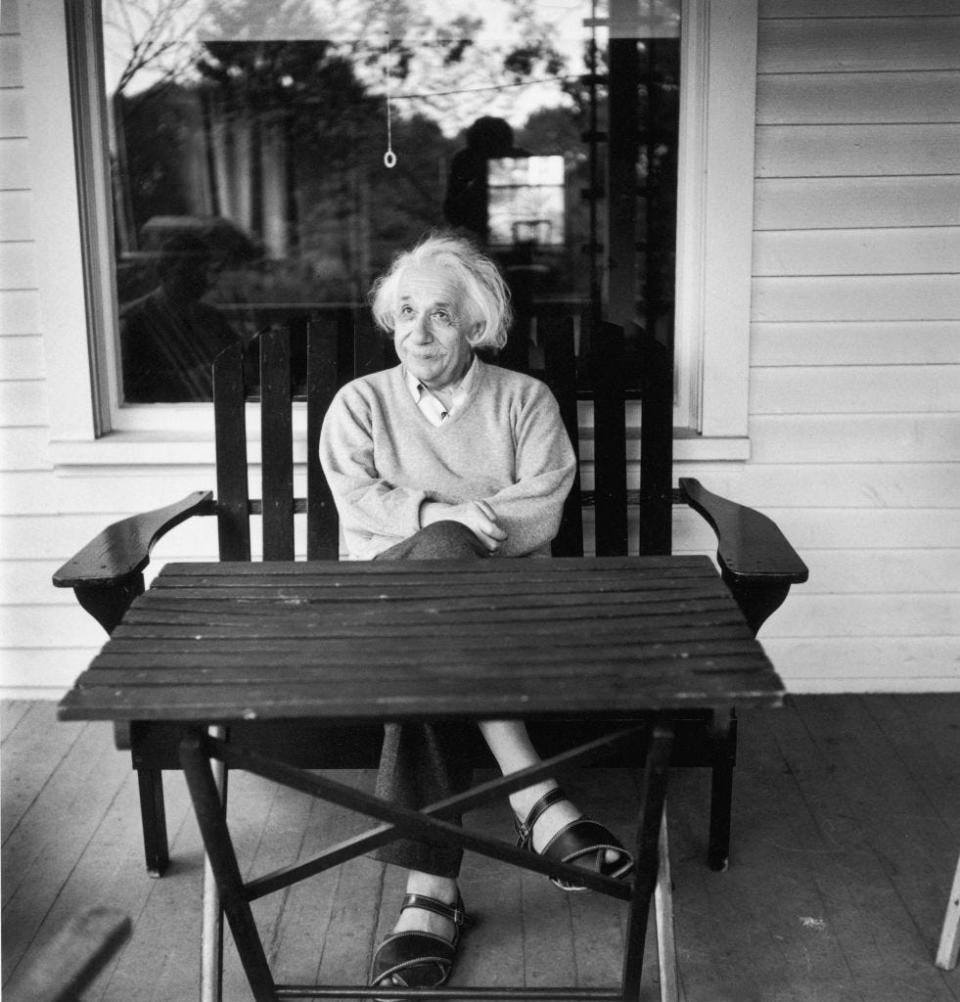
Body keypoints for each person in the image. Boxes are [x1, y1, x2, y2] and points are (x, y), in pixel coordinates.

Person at [319, 232, 632, 997]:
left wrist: (446, 535)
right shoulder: (360, 404)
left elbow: (545, 508)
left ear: (479, 324)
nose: (418, 333)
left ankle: (432, 896)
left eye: (441, 315)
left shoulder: (524, 401)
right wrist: (449, 529)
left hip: (503, 618)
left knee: (439, 605)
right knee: (443, 557)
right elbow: (358, 506)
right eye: (405, 313)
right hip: (382, 607)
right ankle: (536, 795)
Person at [120, 233, 240, 402]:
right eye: (186, 271)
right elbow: (134, 391)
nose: (197, 279)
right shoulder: (134, 322)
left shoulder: (211, 317)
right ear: (163, 271)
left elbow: (240, 362)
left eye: (203, 271)